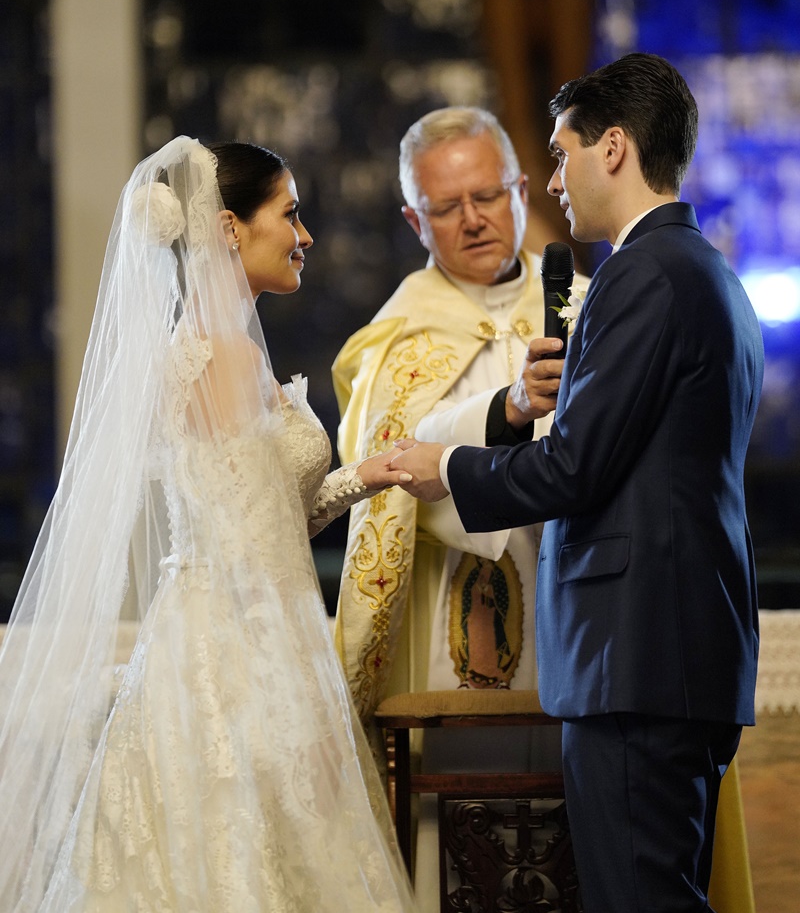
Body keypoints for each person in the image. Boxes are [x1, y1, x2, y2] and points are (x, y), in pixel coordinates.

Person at [0, 136, 417, 912]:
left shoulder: (211, 351)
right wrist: (302, 709)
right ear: (230, 228)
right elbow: (254, 555)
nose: (306, 236)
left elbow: (262, 516)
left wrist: (365, 475)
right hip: (239, 658)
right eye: (290, 214)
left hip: (212, 634)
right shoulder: (220, 357)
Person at [388, 54, 764, 913]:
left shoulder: (645, 274)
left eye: (561, 156)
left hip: (638, 653)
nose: (555, 182)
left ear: (616, 148)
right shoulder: (704, 270)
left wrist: (445, 466)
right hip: (667, 647)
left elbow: (576, 466)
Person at [332, 106, 573, 906]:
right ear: (414, 218)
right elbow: (389, 461)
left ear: (521, 189)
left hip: (574, 610)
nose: (473, 219)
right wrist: (503, 411)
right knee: (457, 848)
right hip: (445, 620)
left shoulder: (580, 299)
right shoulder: (399, 334)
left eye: (488, 194)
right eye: (446, 206)